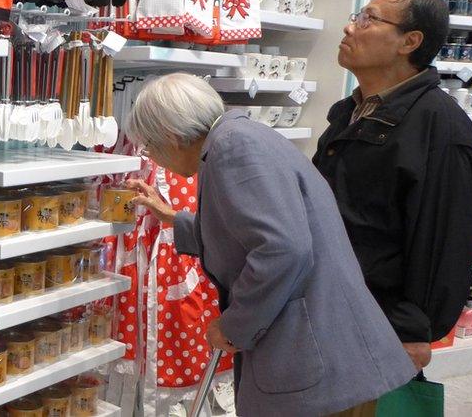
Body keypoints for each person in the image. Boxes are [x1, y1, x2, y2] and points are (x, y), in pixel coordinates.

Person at [124, 73, 415, 417]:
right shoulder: (240, 137)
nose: (154, 158)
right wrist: (172, 217)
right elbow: (245, 234)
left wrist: (234, 326)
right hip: (326, 349)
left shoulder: (232, 149)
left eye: (149, 147)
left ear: (172, 137)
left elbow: (282, 250)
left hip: (314, 354)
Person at [313, 0, 472, 413]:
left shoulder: (440, 128)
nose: (350, 27)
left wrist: (413, 329)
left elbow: (447, 241)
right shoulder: (349, 112)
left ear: (410, 42)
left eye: (368, 18)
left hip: (380, 328)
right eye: (357, 14)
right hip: (333, 313)